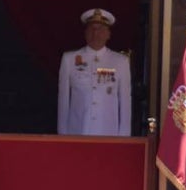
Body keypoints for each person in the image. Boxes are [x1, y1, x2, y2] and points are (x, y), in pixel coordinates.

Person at [57, 8, 132, 136]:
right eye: (92, 29)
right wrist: (63, 134)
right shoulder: (69, 59)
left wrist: (124, 137)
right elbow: (63, 101)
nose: (95, 33)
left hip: (108, 133)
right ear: (85, 33)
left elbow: (125, 102)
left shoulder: (120, 61)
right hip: (77, 132)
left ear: (108, 34)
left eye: (101, 29)